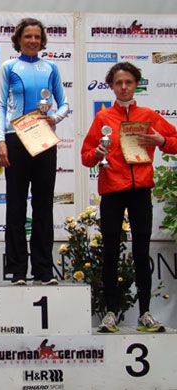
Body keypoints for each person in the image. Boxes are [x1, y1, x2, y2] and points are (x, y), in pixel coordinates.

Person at [81, 62, 177, 333]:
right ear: (111, 86)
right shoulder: (102, 118)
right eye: (118, 83)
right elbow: (86, 157)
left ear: (137, 85)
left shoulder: (148, 115)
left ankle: (145, 313)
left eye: (129, 83)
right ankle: (111, 313)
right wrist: (98, 154)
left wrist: (161, 141)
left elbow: (174, 141)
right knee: (110, 252)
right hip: (112, 190)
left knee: (141, 250)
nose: (124, 87)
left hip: (140, 191)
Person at [0, 18, 69, 285]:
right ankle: (16, 270)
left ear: (42, 40)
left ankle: (43, 269)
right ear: (19, 39)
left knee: (43, 206)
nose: (32, 41)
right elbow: (0, 106)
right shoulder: (9, 67)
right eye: (27, 36)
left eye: (37, 36)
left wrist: (55, 119)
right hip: (15, 139)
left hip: (43, 140)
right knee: (15, 206)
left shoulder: (51, 67)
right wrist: (0, 141)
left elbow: (64, 104)